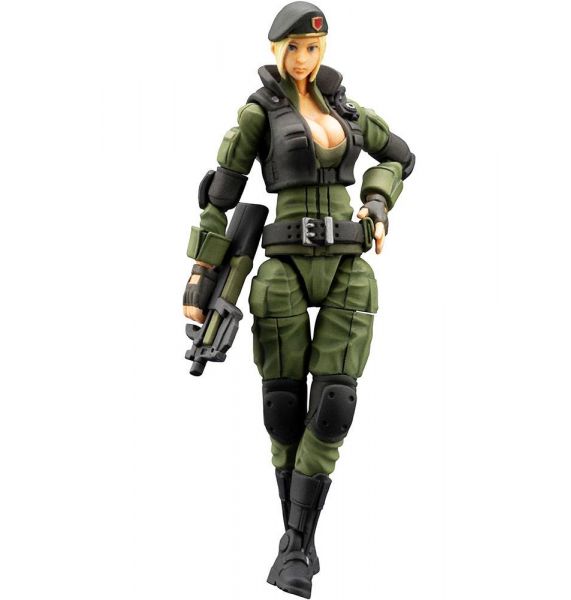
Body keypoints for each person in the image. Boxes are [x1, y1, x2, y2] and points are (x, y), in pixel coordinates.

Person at [183, 2, 415, 597]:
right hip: (283, 265)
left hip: (348, 268)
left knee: (334, 405)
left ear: (323, 48)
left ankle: (294, 544)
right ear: (276, 50)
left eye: (313, 48)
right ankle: (297, 545)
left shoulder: (350, 111)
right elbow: (221, 193)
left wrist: (378, 200)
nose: (303, 59)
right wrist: (201, 277)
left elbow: (401, 157)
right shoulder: (259, 112)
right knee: (283, 410)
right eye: (293, 48)